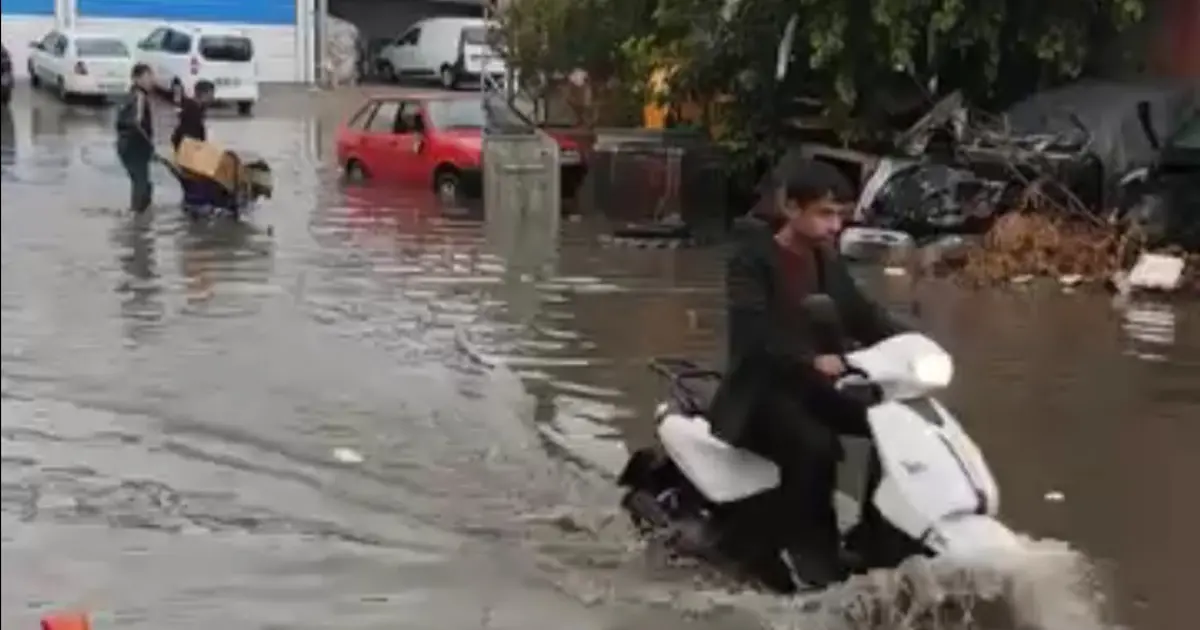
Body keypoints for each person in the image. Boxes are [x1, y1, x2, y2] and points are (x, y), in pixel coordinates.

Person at [707, 158, 907, 588]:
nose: (835, 226)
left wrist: (911, 344)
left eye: (839, 215)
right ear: (791, 208)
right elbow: (754, 334)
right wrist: (809, 358)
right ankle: (810, 552)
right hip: (761, 392)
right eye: (825, 213)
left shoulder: (825, 261)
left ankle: (876, 537)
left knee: (893, 422)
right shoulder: (750, 261)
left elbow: (862, 315)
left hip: (815, 388)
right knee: (816, 445)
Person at [115, 63, 156, 213]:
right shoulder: (139, 96)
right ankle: (137, 218)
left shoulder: (129, 95)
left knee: (142, 183)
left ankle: (139, 216)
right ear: (136, 79)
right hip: (134, 145)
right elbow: (136, 123)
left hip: (125, 144)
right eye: (147, 77)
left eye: (151, 77)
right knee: (141, 184)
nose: (151, 81)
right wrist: (150, 145)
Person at [170, 80, 216, 209]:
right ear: (205, 94)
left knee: (192, 188)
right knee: (197, 187)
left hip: (186, 152)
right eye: (212, 94)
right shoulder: (193, 111)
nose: (213, 98)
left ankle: (190, 209)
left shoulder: (194, 108)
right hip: (188, 154)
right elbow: (190, 137)